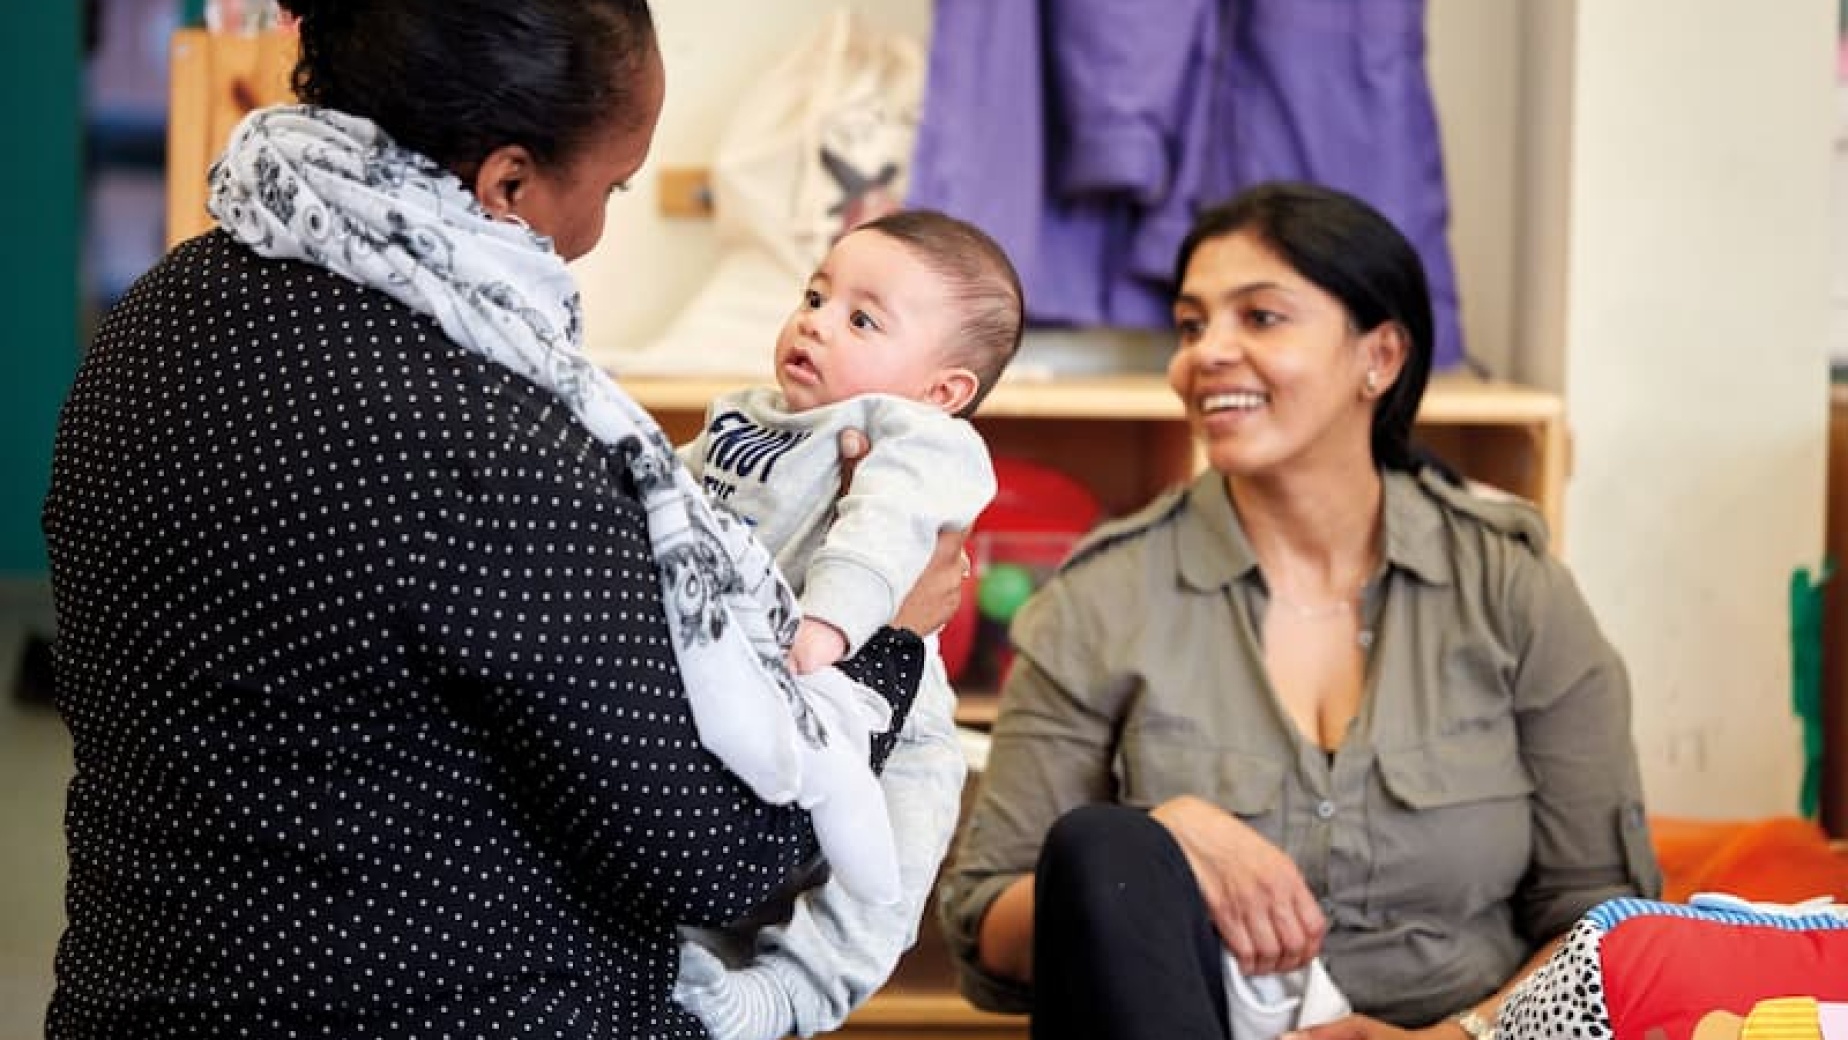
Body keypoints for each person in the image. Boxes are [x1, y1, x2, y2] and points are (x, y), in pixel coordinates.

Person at [39, 2, 963, 1037]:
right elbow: (715, 854)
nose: (601, 228)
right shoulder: (486, 447)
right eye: (611, 188)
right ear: (508, 182)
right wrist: (887, 640)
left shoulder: (166, 314)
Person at [938, 181, 1663, 1040]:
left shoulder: (1514, 590)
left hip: (1462, 1035)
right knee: (1104, 843)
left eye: (1262, 317)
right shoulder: (1100, 597)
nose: (1208, 352)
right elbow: (984, 927)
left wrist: (1452, 1039)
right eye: (1191, 324)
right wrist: (1159, 852)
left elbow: (1606, 921)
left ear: (1380, 358)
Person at [668, 209, 1023, 1038]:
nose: (816, 322)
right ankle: (695, 969)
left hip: (885, 703)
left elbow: (886, 526)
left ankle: (792, 994)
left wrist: (831, 626)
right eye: (815, 295)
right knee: (720, 850)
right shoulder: (745, 416)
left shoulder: (920, 439)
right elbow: (675, 498)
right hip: (761, 677)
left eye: (861, 319)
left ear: (943, 391)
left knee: (881, 874)